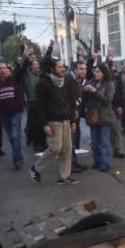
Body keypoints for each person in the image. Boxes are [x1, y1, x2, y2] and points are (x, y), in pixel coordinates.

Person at [30, 42, 79, 185]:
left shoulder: (66, 81)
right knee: (55, 148)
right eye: (59, 67)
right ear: (52, 68)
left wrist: (72, 120)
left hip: (66, 120)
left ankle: (64, 177)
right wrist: (44, 124)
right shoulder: (43, 83)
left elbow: (70, 102)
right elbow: (39, 106)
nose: (62, 69)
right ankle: (36, 168)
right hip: (53, 121)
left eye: (63, 66)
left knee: (67, 149)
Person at [0, 40, 31, 169]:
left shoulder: (14, 78)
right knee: (11, 137)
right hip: (3, 114)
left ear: (8, 69)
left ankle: (17, 159)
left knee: (15, 135)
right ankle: (17, 156)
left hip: (16, 112)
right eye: (0, 68)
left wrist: (24, 51)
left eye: (4, 68)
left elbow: (23, 66)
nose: (2, 70)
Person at [82, 63, 117, 172]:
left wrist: (95, 92)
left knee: (104, 142)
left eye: (98, 72)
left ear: (103, 73)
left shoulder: (109, 84)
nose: (95, 73)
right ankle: (97, 162)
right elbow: (85, 99)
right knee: (94, 142)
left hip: (105, 116)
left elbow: (108, 100)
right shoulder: (91, 82)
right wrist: (85, 90)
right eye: (95, 71)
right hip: (93, 115)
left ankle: (105, 164)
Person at [70, 60, 90, 173]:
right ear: (75, 69)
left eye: (85, 69)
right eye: (81, 69)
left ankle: (75, 163)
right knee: (70, 140)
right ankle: (71, 165)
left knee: (75, 139)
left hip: (77, 114)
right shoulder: (69, 79)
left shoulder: (83, 81)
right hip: (69, 115)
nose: (83, 71)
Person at [23, 57, 44, 152]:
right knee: (34, 123)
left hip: (42, 102)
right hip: (32, 102)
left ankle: (43, 142)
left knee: (42, 123)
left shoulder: (41, 75)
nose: (38, 66)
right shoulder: (28, 75)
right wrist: (25, 53)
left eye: (38, 64)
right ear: (31, 67)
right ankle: (36, 143)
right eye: (35, 64)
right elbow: (24, 65)